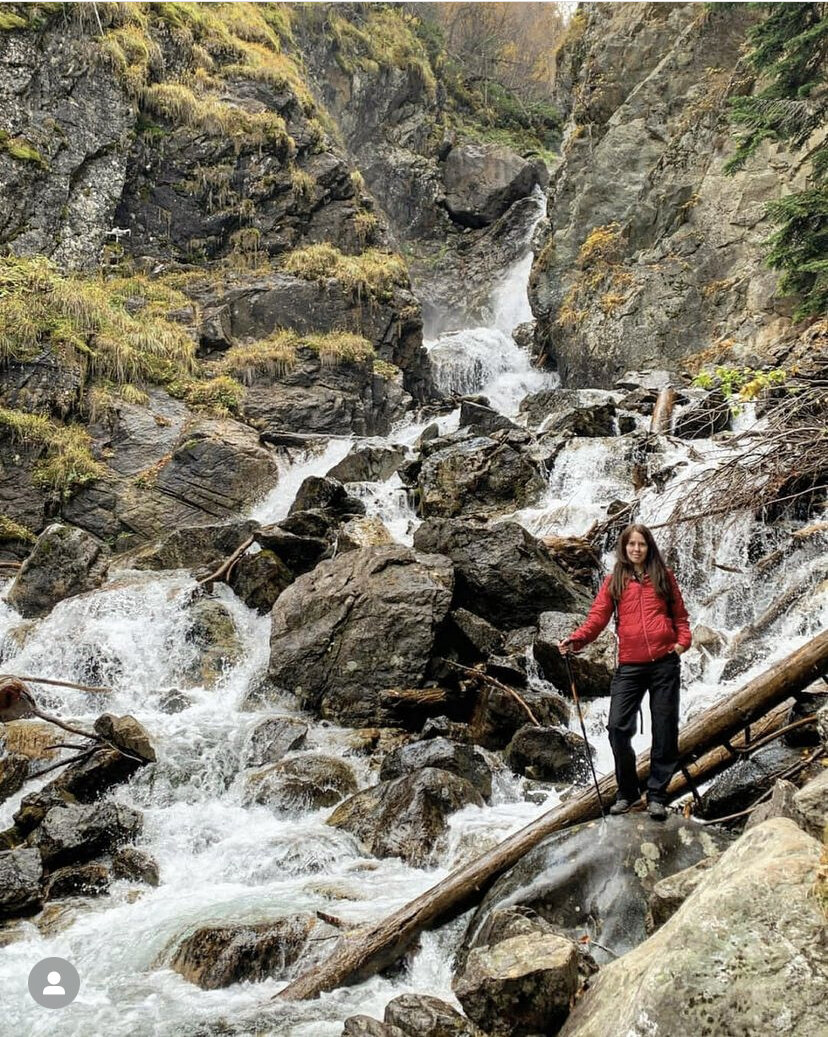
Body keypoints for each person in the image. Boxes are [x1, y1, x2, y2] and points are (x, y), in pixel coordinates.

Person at [559, 523, 691, 820]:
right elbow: (597, 619)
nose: (636, 549)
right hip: (630, 665)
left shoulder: (664, 578)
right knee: (617, 728)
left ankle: (657, 795)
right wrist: (576, 640)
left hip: (664, 664)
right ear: (624, 547)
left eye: (641, 544)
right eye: (631, 544)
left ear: (649, 547)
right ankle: (628, 791)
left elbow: (681, 618)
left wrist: (681, 644)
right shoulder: (614, 581)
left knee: (665, 730)